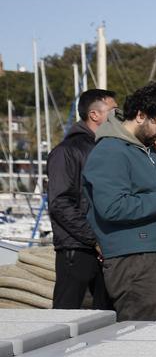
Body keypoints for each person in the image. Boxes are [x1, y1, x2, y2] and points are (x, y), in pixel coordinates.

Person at [82, 83, 156, 321]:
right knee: (138, 337)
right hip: (133, 260)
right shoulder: (110, 150)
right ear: (141, 115)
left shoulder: (152, 154)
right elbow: (112, 207)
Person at [48, 87, 116, 309]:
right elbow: (60, 203)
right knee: (66, 317)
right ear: (94, 115)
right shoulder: (67, 151)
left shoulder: (106, 148)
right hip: (76, 249)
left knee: (104, 318)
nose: (119, 115)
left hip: (103, 249)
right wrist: (93, 238)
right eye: (114, 110)